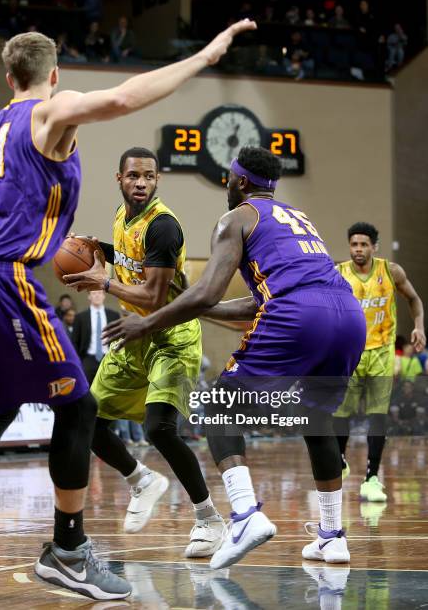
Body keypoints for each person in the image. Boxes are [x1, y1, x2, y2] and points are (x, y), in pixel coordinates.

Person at [0, 20, 257, 599]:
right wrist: (205, 57)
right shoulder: (50, 110)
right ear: (53, 75)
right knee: (79, 406)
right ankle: (68, 551)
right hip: (3, 277)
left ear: (6, 76)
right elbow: (121, 97)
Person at [102, 146, 367, 568]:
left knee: (221, 407)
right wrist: (196, 306)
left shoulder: (236, 218)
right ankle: (332, 537)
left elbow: (210, 292)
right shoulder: (296, 216)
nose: (226, 182)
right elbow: (252, 304)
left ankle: (244, 516)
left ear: (240, 181)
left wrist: (146, 323)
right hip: (349, 315)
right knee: (317, 424)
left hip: (300, 313)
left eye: (228, 176)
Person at [64, 147, 227, 558]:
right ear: (118, 179)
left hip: (173, 335)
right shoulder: (123, 219)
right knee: (89, 419)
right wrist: (95, 248)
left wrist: (104, 282)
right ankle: (141, 479)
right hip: (135, 334)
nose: (141, 183)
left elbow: (154, 295)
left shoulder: (163, 226)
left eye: (149, 177)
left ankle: (209, 518)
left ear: (157, 181)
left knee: (158, 428)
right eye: (134, 176)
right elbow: (129, 259)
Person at [333, 223, 425, 502]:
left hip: (382, 352)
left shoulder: (391, 271)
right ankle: (338, 460)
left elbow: (414, 299)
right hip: (351, 352)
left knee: (377, 416)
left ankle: (372, 479)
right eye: (354, 245)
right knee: (341, 413)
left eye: (364, 244)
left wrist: (419, 326)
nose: (358, 249)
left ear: (374, 246)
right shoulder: (339, 273)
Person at [71, 290, 119, 382]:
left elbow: (118, 338)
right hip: (88, 358)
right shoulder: (80, 317)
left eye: (100, 293)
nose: (97, 296)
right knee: (86, 387)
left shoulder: (114, 315)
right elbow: (74, 341)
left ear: (104, 296)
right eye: (94, 293)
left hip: (108, 357)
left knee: (109, 387)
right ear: (89, 297)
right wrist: (77, 361)